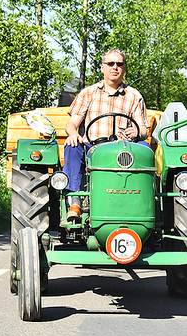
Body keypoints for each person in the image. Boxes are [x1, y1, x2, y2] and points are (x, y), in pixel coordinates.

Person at [63, 49, 149, 220]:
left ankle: (145, 203)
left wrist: (138, 132)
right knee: (72, 146)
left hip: (124, 149)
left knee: (145, 148)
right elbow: (72, 124)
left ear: (124, 68)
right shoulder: (89, 93)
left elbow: (144, 130)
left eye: (119, 64)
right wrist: (73, 133)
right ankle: (74, 203)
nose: (115, 67)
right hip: (92, 148)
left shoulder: (134, 96)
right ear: (103, 68)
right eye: (110, 64)